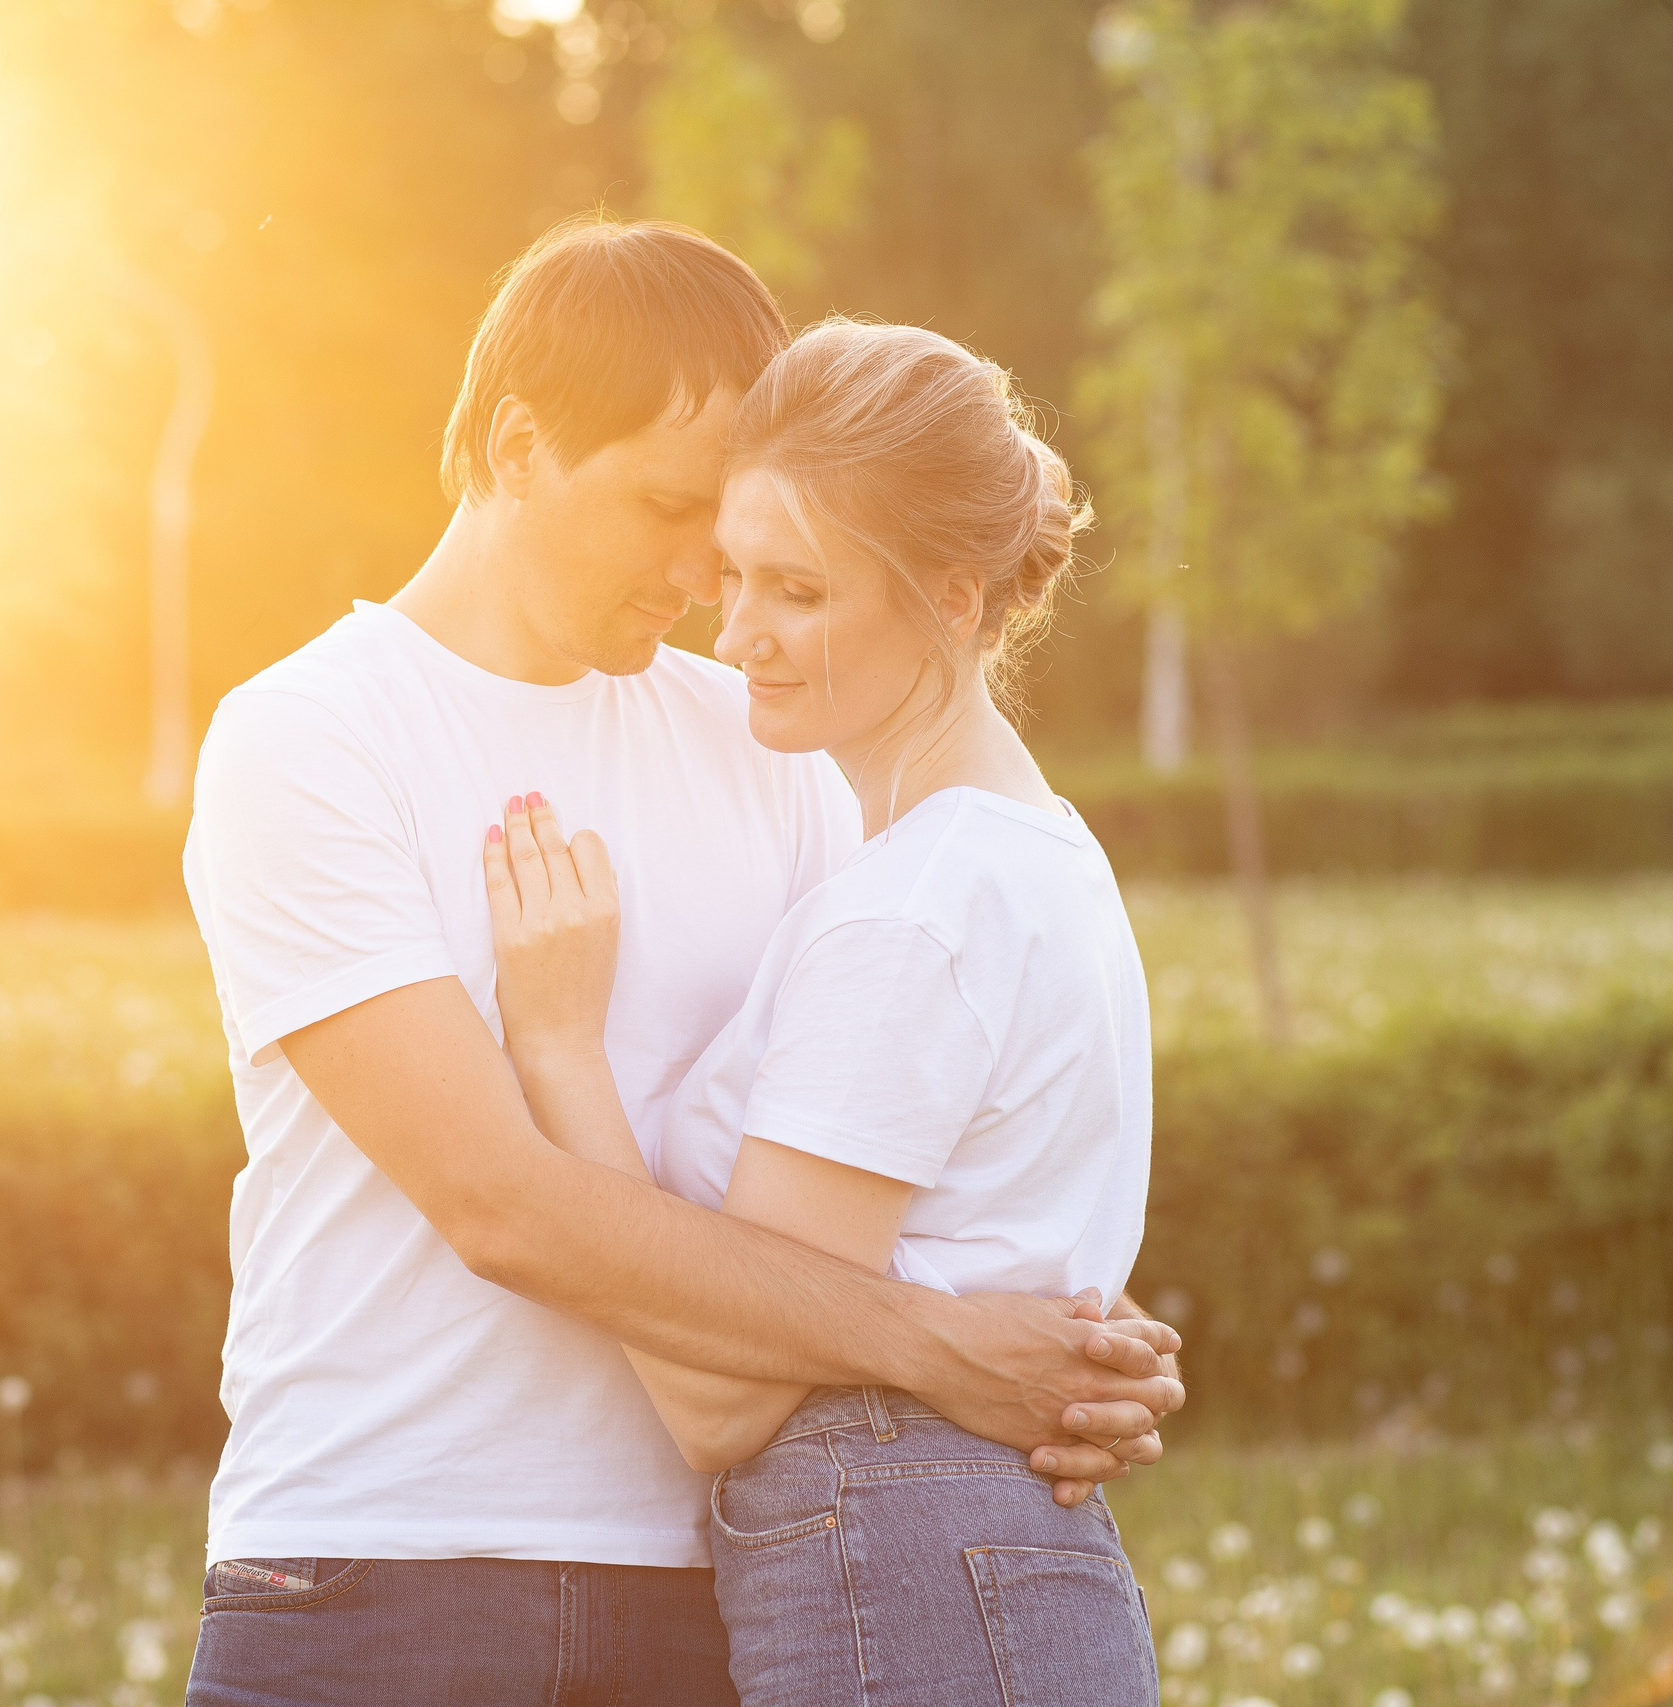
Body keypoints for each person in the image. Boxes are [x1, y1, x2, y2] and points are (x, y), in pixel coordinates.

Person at [180, 218, 1181, 1706]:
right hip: (381, 1565)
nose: (706, 570)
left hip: (711, 1581)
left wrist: (1067, 1325)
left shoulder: (771, 743)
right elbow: (500, 1204)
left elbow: (881, 1120)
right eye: (665, 505)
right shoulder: (312, 739)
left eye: (728, 521)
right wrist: (956, 1346)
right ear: (519, 448)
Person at [481, 316, 1162, 1705]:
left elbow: (725, 1399)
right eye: (733, 576)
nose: (739, 634)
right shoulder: (1031, 856)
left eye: (797, 590)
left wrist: (558, 1048)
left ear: (954, 599)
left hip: (904, 1562)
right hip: (974, 1561)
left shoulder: (914, 909)